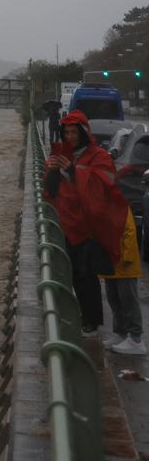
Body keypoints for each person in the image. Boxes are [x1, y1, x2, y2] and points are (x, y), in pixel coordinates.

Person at [45, 110, 131, 336]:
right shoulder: (62, 154)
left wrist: (73, 171)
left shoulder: (99, 156)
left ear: (83, 133)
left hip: (89, 226)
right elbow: (50, 192)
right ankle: (74, 316)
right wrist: (53, 171)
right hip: (66, 224)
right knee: (69, 273)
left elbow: (104, 187)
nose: (70, 136)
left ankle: (91, 322)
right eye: (67, 132)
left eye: (74, 132)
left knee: (87, 275)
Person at [106, 209, 145, 355]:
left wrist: (127, 257)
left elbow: (130, 231)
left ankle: (136, 339)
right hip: (113, 262)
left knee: (128, 300)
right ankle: (120, 333)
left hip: (123, 263)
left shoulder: (119, 205)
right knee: (114, 299)